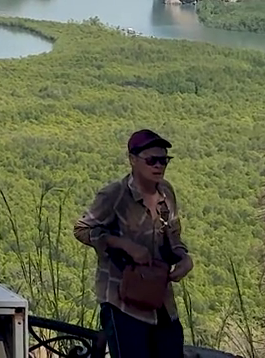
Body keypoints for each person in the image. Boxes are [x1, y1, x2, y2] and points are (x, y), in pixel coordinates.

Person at [73, 129, 194, 357]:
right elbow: (82, 229)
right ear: (132, 160)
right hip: (122, 303)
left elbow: (174, 235)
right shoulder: (114, 195)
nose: (158, 166)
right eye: (151, 160)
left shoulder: (166, 193)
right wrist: (122, 244)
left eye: (164, 160)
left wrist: (184, 257)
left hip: (160, 299)